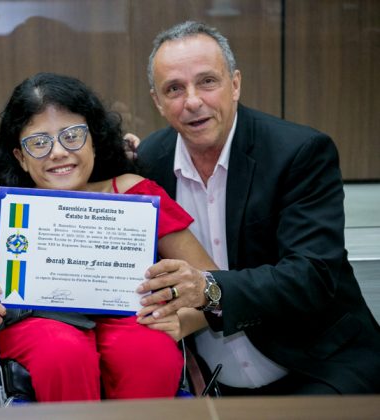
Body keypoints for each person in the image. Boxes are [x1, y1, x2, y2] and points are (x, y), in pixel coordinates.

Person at [0, 72, 217, 402]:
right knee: (62, 352)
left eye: (72, 136)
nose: (58, 152)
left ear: (94, 140)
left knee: (150, 352)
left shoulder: (136, 196)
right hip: (36, 328)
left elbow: (216, 285)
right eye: (39, 143)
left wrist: (183, 320)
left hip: (133, 318)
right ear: (20, 156)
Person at [136, 20, 380, 395]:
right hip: (215, 383)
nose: (193, 101)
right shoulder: (149, 162)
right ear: (157, 101)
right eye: (174, 89)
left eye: (207, 81)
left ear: (235, 84)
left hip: (318, 366)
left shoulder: (298, 152)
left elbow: (312, 276)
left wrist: (210, 288)